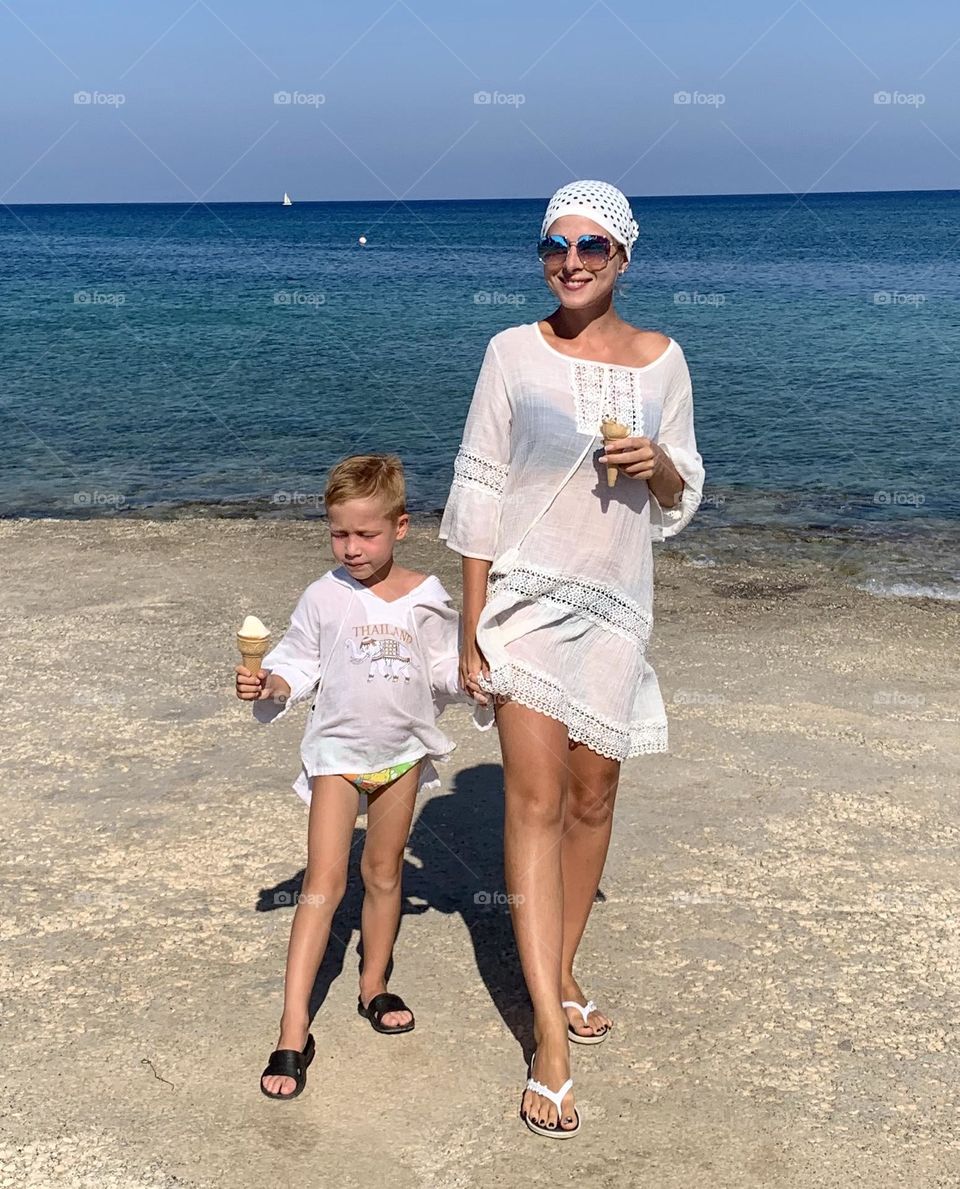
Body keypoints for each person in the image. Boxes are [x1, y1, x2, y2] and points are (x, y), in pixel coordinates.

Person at [439, 180, 705, 1138]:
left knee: (596, 799)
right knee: (536, 802)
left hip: (616, 606)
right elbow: (477, 485)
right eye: (556, 245)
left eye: (593, 244)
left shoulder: (663, 360)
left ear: (624, 256)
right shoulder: (511, 351)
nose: (573, 260)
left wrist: (655, 465)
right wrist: (471, 624)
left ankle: (556, 965)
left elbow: (682, 483)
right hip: (521, 606)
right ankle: (548, 1035)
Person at [236, 453, 466, 1100]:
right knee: (323, 883)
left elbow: (442, 669)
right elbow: (297, 663)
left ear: (402, 527)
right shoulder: (323, 595)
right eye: (340, 532)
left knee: (384, 873)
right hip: (337, 755)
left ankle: (373, 984)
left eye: (366, 533)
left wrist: (475, 681)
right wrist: (270, 682)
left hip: (401, 757)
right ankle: (291, 1029)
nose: (352, 547)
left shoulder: (427, 596)